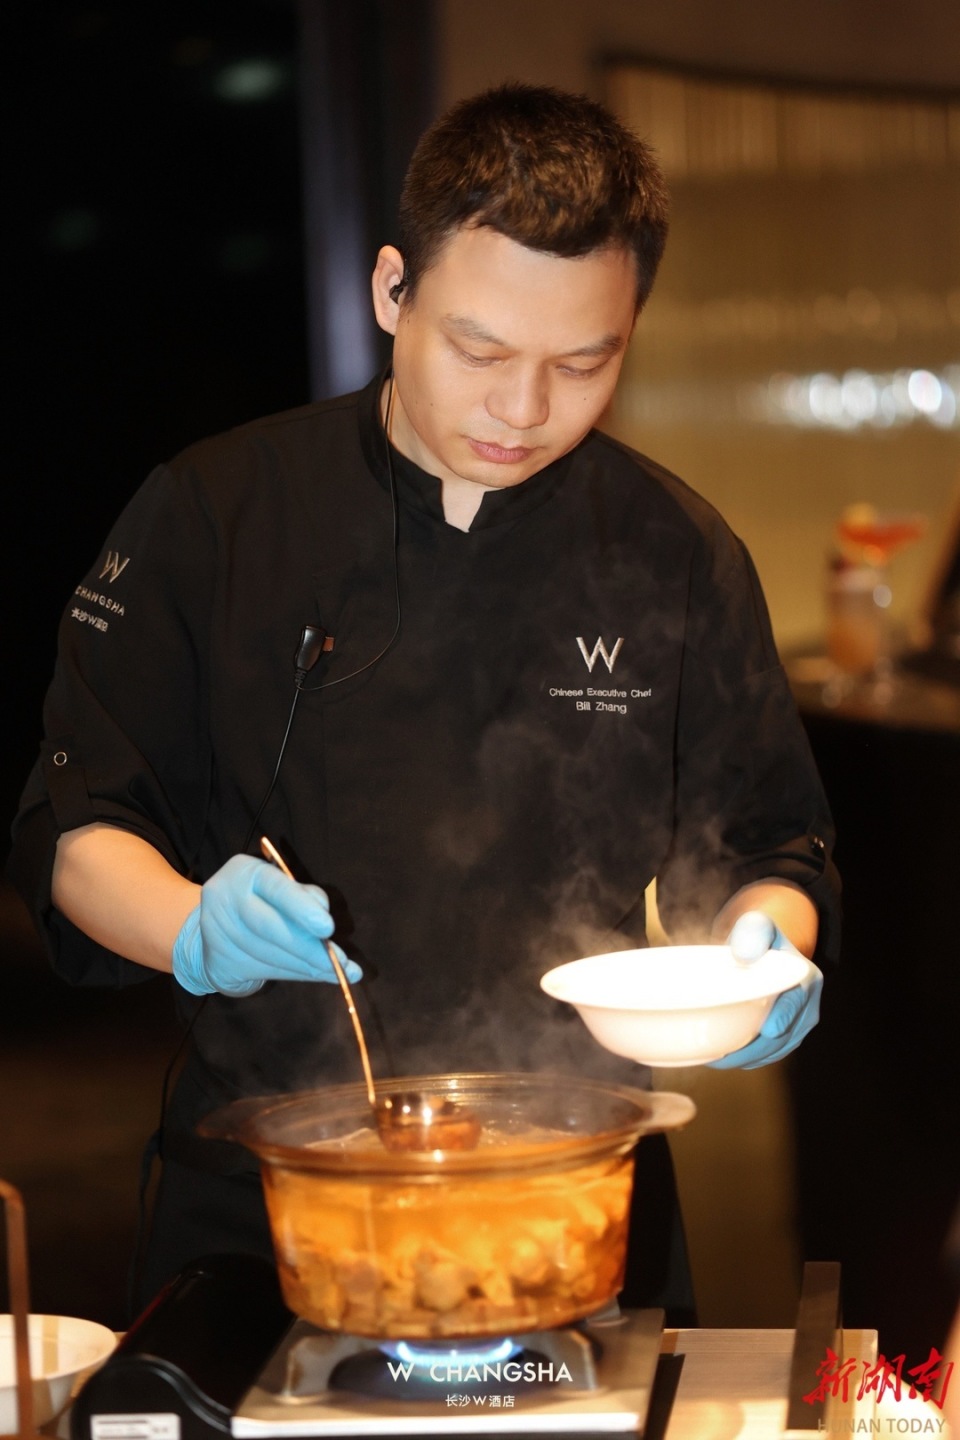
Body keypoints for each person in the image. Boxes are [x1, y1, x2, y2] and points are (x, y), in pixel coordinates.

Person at [10, 82, 839, 1323]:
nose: (524, 409)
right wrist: (188, 924)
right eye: (481, 352)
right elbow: (75, 826)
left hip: (578, 1192)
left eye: (584, 363)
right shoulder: (217, 514)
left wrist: (766, 945)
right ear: (391, 290)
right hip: (268, 1199)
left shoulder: (675, 551)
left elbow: (774, 845)